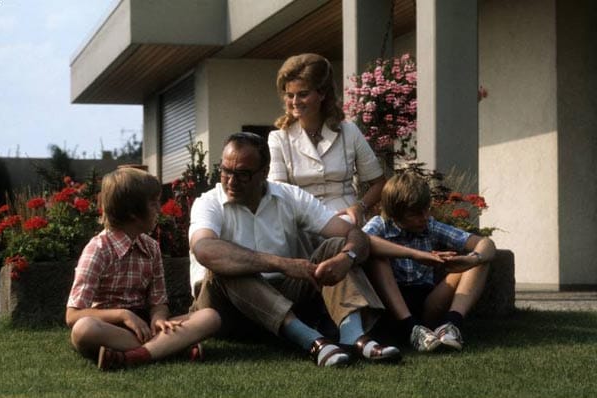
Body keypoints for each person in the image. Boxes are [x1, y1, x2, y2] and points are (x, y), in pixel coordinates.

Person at [189, 132, 401, 367]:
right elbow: (204, 249)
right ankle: (312, 341)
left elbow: (355, 234)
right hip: (225, 310)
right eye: (226, 170)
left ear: (264, 172)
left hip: (284, 297)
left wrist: (346, 257)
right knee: (226, 264)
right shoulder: (208, 202)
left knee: (336, 247)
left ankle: (353, 336)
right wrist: (282, 263)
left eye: (242, 174)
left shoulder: (289, 196)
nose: (230, 181)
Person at [65, 167, 221, 371]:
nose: (160, 208)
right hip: (110, 329)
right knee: (83, 330)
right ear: (133, 213)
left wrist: (158, 319)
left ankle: (132, 356)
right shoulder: (97, 250)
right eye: (153, 203)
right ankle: (171, 348)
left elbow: (158, 302)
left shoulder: (151, 247)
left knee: (210, 317)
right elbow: (72, 316)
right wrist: (123, 315)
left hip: (147, 328)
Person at [363, 171, 496, 352]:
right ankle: (410, 328)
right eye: (415, 214)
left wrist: (470, 259)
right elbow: (362, 241)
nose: (424, 217)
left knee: (479, 260)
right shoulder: (380, 224)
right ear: (396, 213)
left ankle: (451, 326)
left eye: (426, 209)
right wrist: (415, 254)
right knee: (377, 256)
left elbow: (485, 243)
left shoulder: (430, 225)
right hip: (389, 304)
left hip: (426, 302)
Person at [268, 53, 385, 227]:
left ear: (322, 94)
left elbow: (379, 183)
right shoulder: (279, 138)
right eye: (289, 95)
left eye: (303, 94)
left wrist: (360, 207)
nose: (294, 101)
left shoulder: (349, 131)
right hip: (301, 221)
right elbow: (278, 193)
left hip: (346, 218)